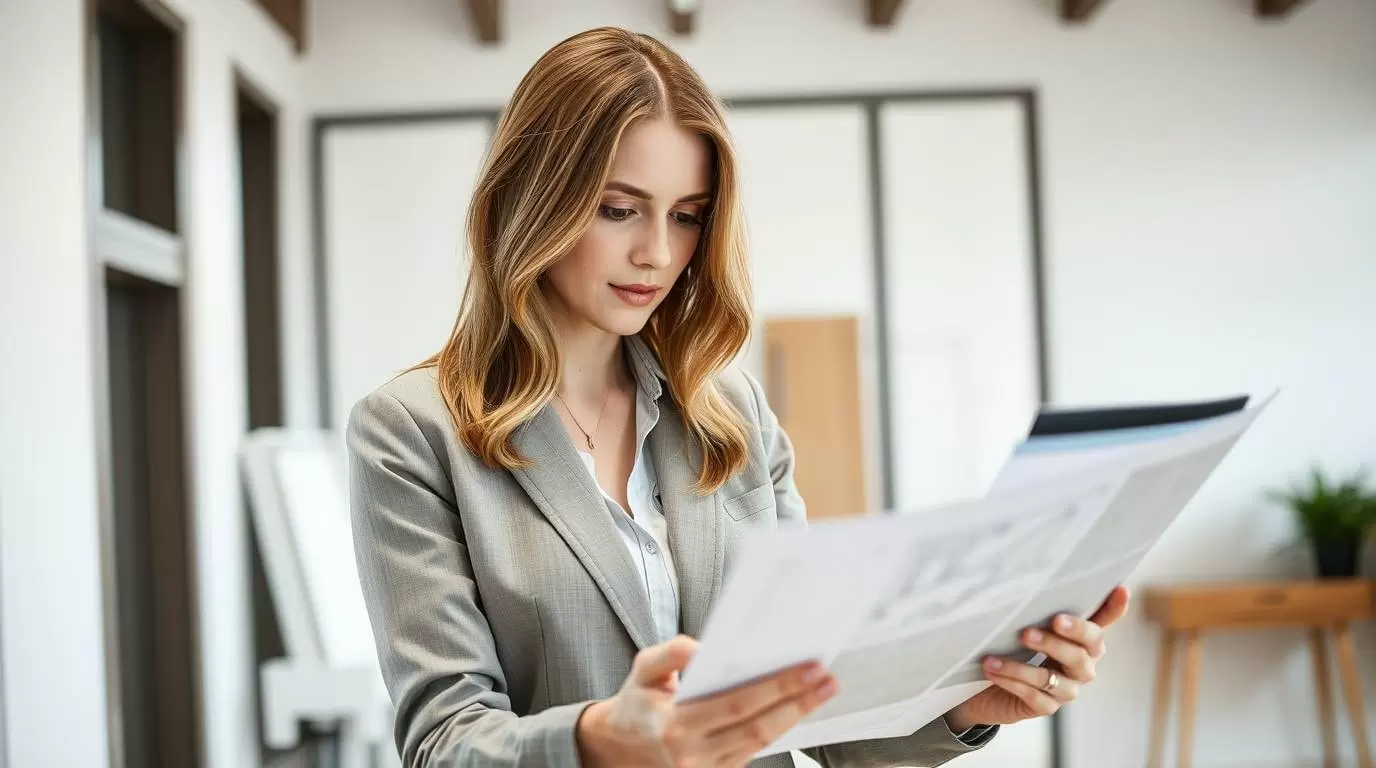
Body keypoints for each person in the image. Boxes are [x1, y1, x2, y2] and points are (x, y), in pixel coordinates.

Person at [346, 25, 1130, 768]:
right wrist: (603, 740)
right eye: (618, 209)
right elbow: (445, 741)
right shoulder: (413, 430)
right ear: (532, 199)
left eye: (687, 217)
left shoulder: (731, 412)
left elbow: (816, 709)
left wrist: (965, 705)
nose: (658, 253)